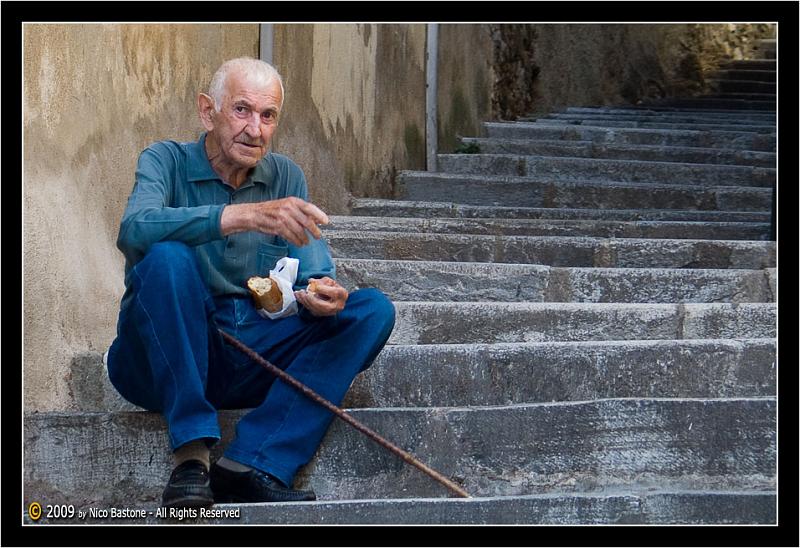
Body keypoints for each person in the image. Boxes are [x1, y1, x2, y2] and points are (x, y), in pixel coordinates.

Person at [106, 57, 396, 508]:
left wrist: (325, 293)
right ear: (208, 112)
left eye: (268, 116)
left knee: (372, 310)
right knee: (166, 258)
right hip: (164, 356)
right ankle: (191, 456)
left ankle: (254, 461)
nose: (255, 130)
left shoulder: (286, 175)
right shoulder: (164, 160)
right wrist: (239, 216)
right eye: (242, 110)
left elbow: (315, 268)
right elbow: (135, 228)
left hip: (251, 352)